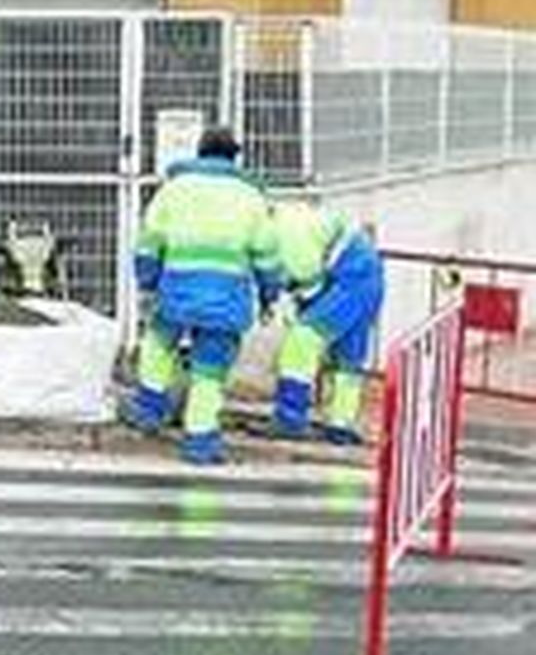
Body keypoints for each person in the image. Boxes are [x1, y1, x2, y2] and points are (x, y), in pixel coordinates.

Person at [126, 124, 281, 465]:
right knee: (209, 370)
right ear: (234, 157)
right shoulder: (252, 197)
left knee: (158, 344)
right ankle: (199, 442)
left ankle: (149, 408)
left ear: (199, 152)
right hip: (227, 295)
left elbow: (149, 242)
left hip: (177, 288)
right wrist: (270, 296)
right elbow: (267, 255)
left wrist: (147, 283)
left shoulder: (174, 189)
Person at [269, 196, 385, 444]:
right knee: (348, 357)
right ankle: (340, 425)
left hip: (350, 278)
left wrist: (282, 299)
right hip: (364, 274)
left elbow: (307, 282)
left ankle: (290, 418)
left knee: (302, 339)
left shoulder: (285, 235)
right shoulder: (285, 216)